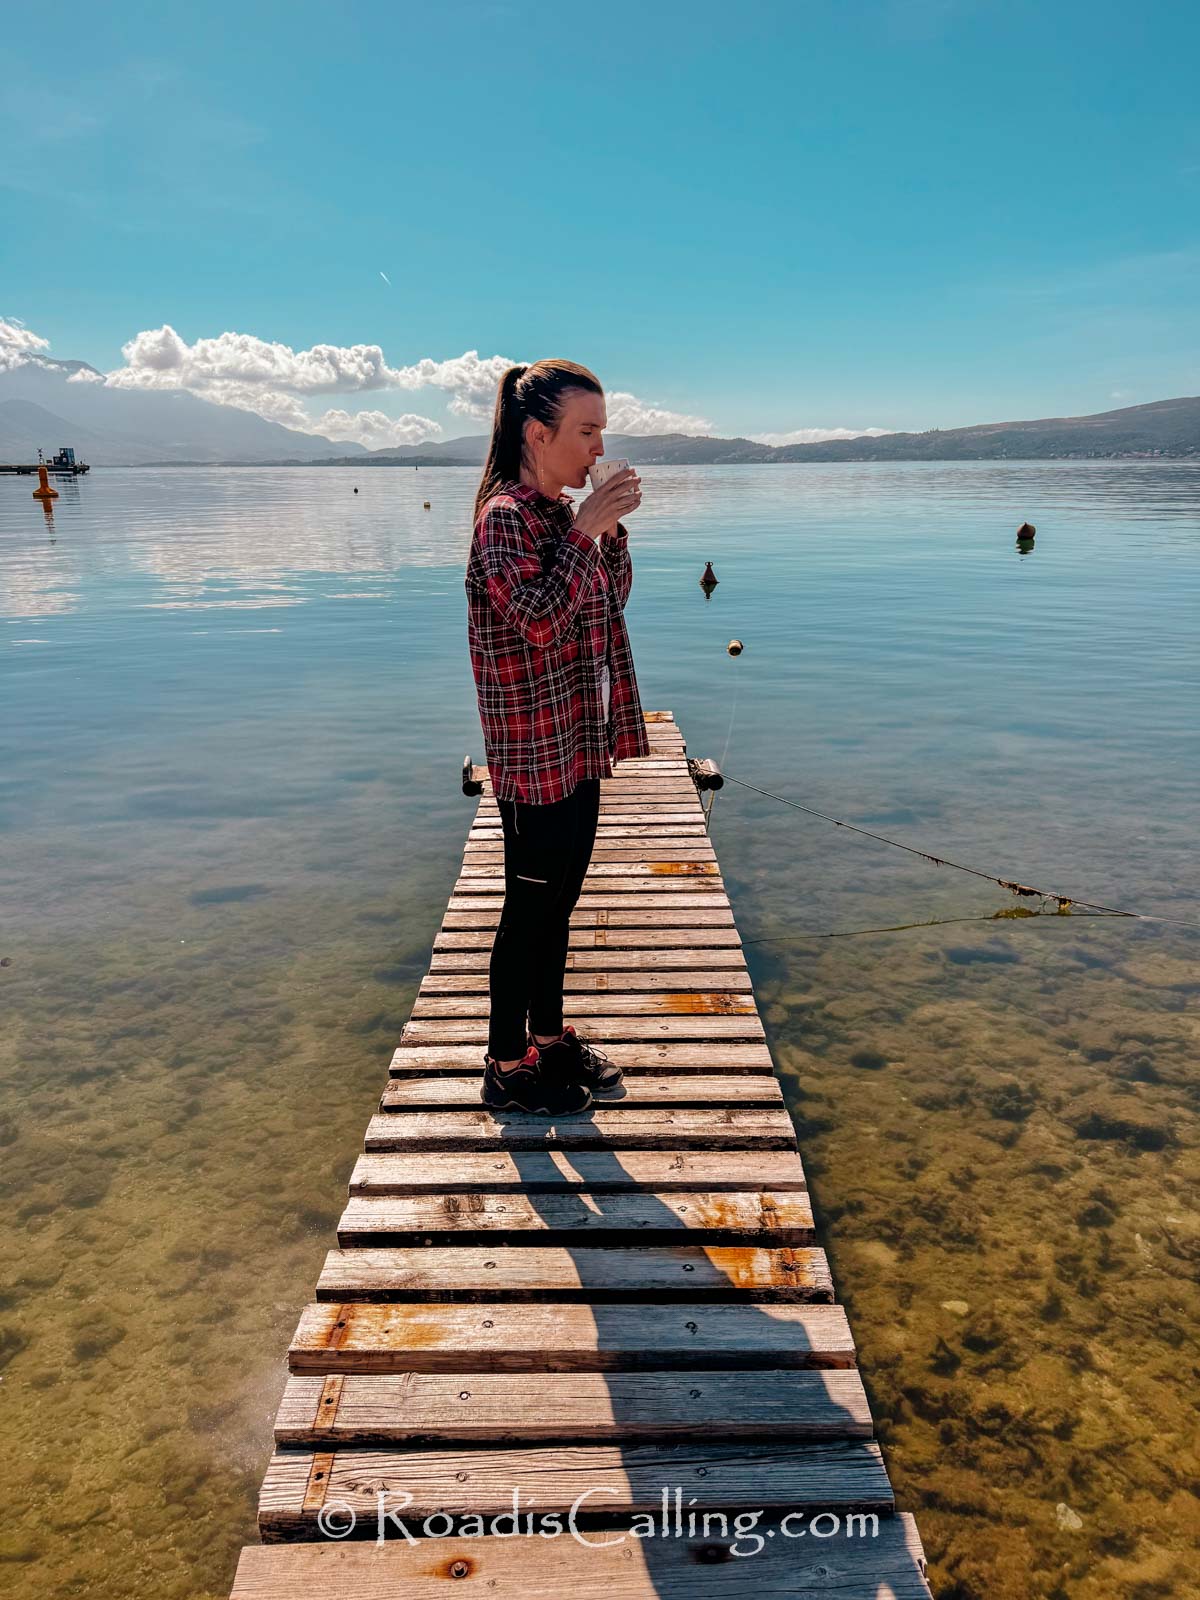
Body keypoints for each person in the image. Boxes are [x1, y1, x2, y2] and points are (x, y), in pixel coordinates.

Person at [465, 359, 651, 1115]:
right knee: (529, 909)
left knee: (560, 902)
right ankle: (507, 1063)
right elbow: (539, 620)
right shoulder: (505, 518)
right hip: (534, 755)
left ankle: (547, 1036)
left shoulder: (553, 515)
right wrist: (585, 530)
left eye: (602, 431)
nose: (597, 448)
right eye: (586, 432)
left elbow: (600, 606)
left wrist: (608, 539)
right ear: (538, 434)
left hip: (575, 745)